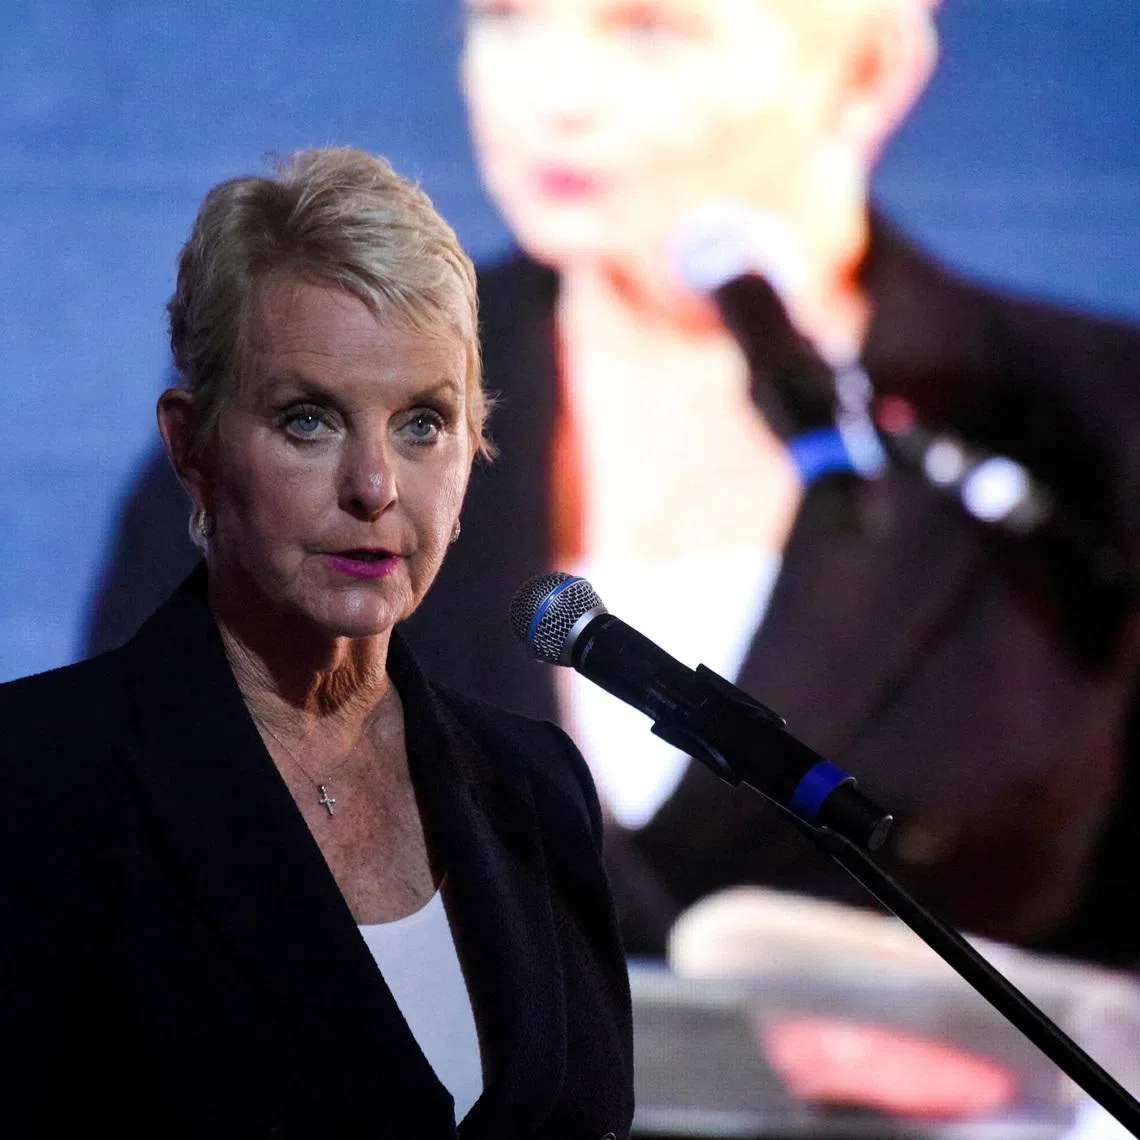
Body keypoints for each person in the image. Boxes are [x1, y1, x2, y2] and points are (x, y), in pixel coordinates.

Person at [85, 1, 1140, 969]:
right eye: (506, 18)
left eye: (646, 33)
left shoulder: (1096, 427)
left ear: (868, 72)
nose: (555, 95)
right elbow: (126, 889)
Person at [0, 147, 633, 1138]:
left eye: (424, 422)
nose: (375, 486)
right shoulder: (37, 780)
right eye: (308, 420)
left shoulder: (536, 794)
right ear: (192, 450)